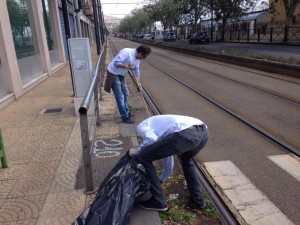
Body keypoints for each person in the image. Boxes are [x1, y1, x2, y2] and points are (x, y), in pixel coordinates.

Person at [130, 114, 209, 212]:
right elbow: (168, 155)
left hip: (185, 133)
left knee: (143, 157)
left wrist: (140, 149)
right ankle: (199, 200)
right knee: (187, 161)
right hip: (203, 132)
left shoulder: (141, 126)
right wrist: (163, 178)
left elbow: (151, 139)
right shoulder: (162, 126)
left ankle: (158, 202)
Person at [104, 45, 151, 124]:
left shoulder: (137, 60)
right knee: (120, 96)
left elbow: (137, 72)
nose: (143, 59)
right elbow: (116, 63)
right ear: (140, 53)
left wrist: (138, 84)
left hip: (121, 73)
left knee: (126, 93)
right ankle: (124, 117)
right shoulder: (127, 52)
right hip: (114, 73)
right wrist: (127, 66)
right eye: (143, 57)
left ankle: (126, 111)